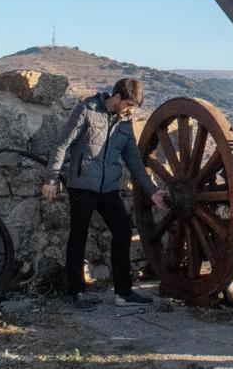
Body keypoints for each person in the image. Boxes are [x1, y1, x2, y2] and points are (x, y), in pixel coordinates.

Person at [42, 78, 167, 310]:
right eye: (128, 104)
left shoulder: (125, 122)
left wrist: (152, 191)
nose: (131, 110)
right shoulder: (87, 110)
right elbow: (61, 144)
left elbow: (134, 161)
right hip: (82, 186)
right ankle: (77, 292)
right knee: (78, 237)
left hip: (109, 189)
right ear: (116, 97)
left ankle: (123, 292)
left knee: (122, 232)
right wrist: (51, 178)